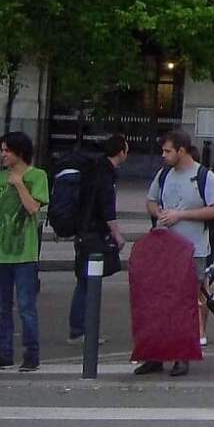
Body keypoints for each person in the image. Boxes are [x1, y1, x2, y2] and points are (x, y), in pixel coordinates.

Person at [132, 130, 214, 376]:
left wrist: (180, 215)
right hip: (163, 248)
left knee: (187, 303)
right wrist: (159, 211)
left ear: (181, 151)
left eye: (168, 151)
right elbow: (150, 201)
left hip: (193, 249)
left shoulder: (204, 176)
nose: (164, 155)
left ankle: (183, 354)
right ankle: (155, 355)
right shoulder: (163, 175)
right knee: (158, 302)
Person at [0, 131, 49, 372]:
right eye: (2, 150)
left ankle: (31, 354)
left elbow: (33, 209)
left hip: (25, 254)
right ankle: (4, 352)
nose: (3, 155)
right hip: (0, 254)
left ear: (19, 152)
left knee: (26, 306)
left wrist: (19, 183)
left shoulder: (37, 176)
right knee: (1, 306)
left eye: (7, 150)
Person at [68, 134, 129, 343]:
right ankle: (80, 330)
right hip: (93, 231)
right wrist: (117, 235)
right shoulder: (105, 174)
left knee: (85, 281)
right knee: (88, 281)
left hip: (84, 229)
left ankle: (80, 328)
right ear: (121, 152)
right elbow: (107, 208)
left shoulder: (96, 169)